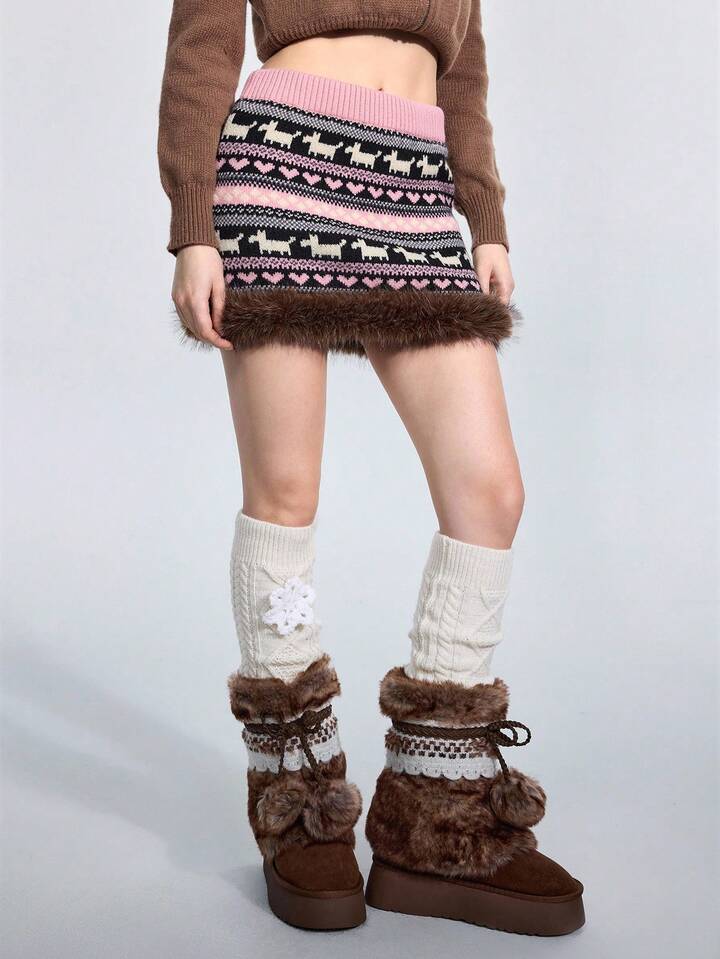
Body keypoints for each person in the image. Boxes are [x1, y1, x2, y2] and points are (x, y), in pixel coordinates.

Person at [158, 0, 584, 936]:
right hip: (285, 168)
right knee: (285, 491)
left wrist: (485, 217)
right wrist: (194, 227)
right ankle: (297, 793)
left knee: (489, 493)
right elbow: (202, 46)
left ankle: (434, 810)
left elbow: (465, 71)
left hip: (417, 187)